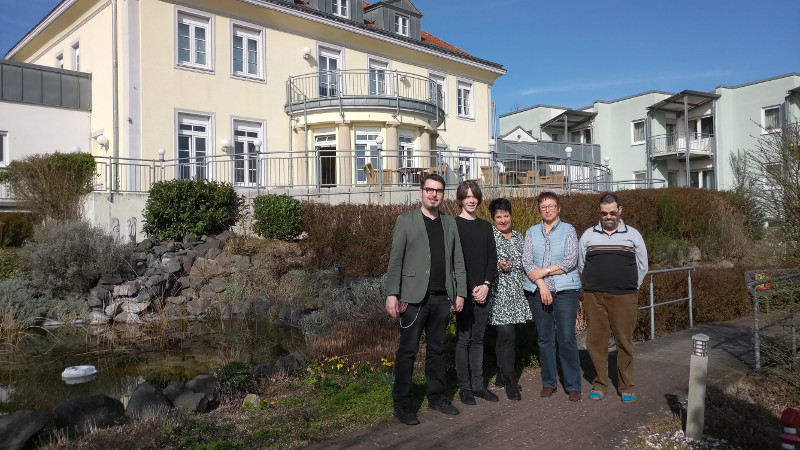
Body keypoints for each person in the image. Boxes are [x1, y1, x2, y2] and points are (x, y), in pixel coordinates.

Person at [385, 173, 467, 425]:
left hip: (442, 298)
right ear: (421, 192)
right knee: (407, 352)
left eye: (439, 190)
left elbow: (458, 260)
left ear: (443, 194)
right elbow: (395, 260)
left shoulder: (450, 223)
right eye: (430, 190)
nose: (434, 194)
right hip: (413, 298)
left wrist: (460, 292)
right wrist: (392, 293)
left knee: (437, 350)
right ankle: (403, 403)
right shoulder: (406, 221)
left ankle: (437, 397)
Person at [578, 193, 648, 404]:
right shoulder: (588, 235)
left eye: (612, 212)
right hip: (594, 296)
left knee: (624, 342)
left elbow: (643, 266)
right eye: (604, 213)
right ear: (600, 213)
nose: (608, 216)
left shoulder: (633, 235)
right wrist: (592, 284)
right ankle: (600, 384)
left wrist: (630, 287)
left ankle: (626, 386)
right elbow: (582, 265)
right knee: (596, 341)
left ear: (620, 211)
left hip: (624, 296)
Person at [522, 192, 582, 402]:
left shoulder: (568, 230)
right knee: (545, 338)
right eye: (543, 206)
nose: (547, 209)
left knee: (566, 338)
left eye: (551, 206)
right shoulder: (531, 232)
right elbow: (527, 263)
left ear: (558, 208)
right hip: (538, 292)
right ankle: (549, 382)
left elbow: (570, 260)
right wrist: (541, 284)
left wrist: (545, 272)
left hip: (566, 291)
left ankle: (573, 384)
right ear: (539, 209)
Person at [454, 181, 500, 405]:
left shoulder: (485, 227)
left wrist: (486, 284)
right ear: (461, 199)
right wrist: (469, 288)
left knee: (479, 339)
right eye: (467, 196)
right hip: (463, 293)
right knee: (464, 339)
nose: (471, 200)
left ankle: (478, 385)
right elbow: (455, 262)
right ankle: (464, 388)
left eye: (474, 196)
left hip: (483, 290)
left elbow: (492, 258)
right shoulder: (453, 226)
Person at [488, 197, 531, 401]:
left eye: (506, 215)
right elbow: (483, 262)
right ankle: (510, 380)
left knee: (507, 336)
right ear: (493, 218)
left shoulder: (519, 236)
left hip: (517, 293)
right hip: (499, 293)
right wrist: (498, 265)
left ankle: (500, 375)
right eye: (499, 216)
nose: (503, 220)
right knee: (507, 336)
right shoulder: (489, 236)